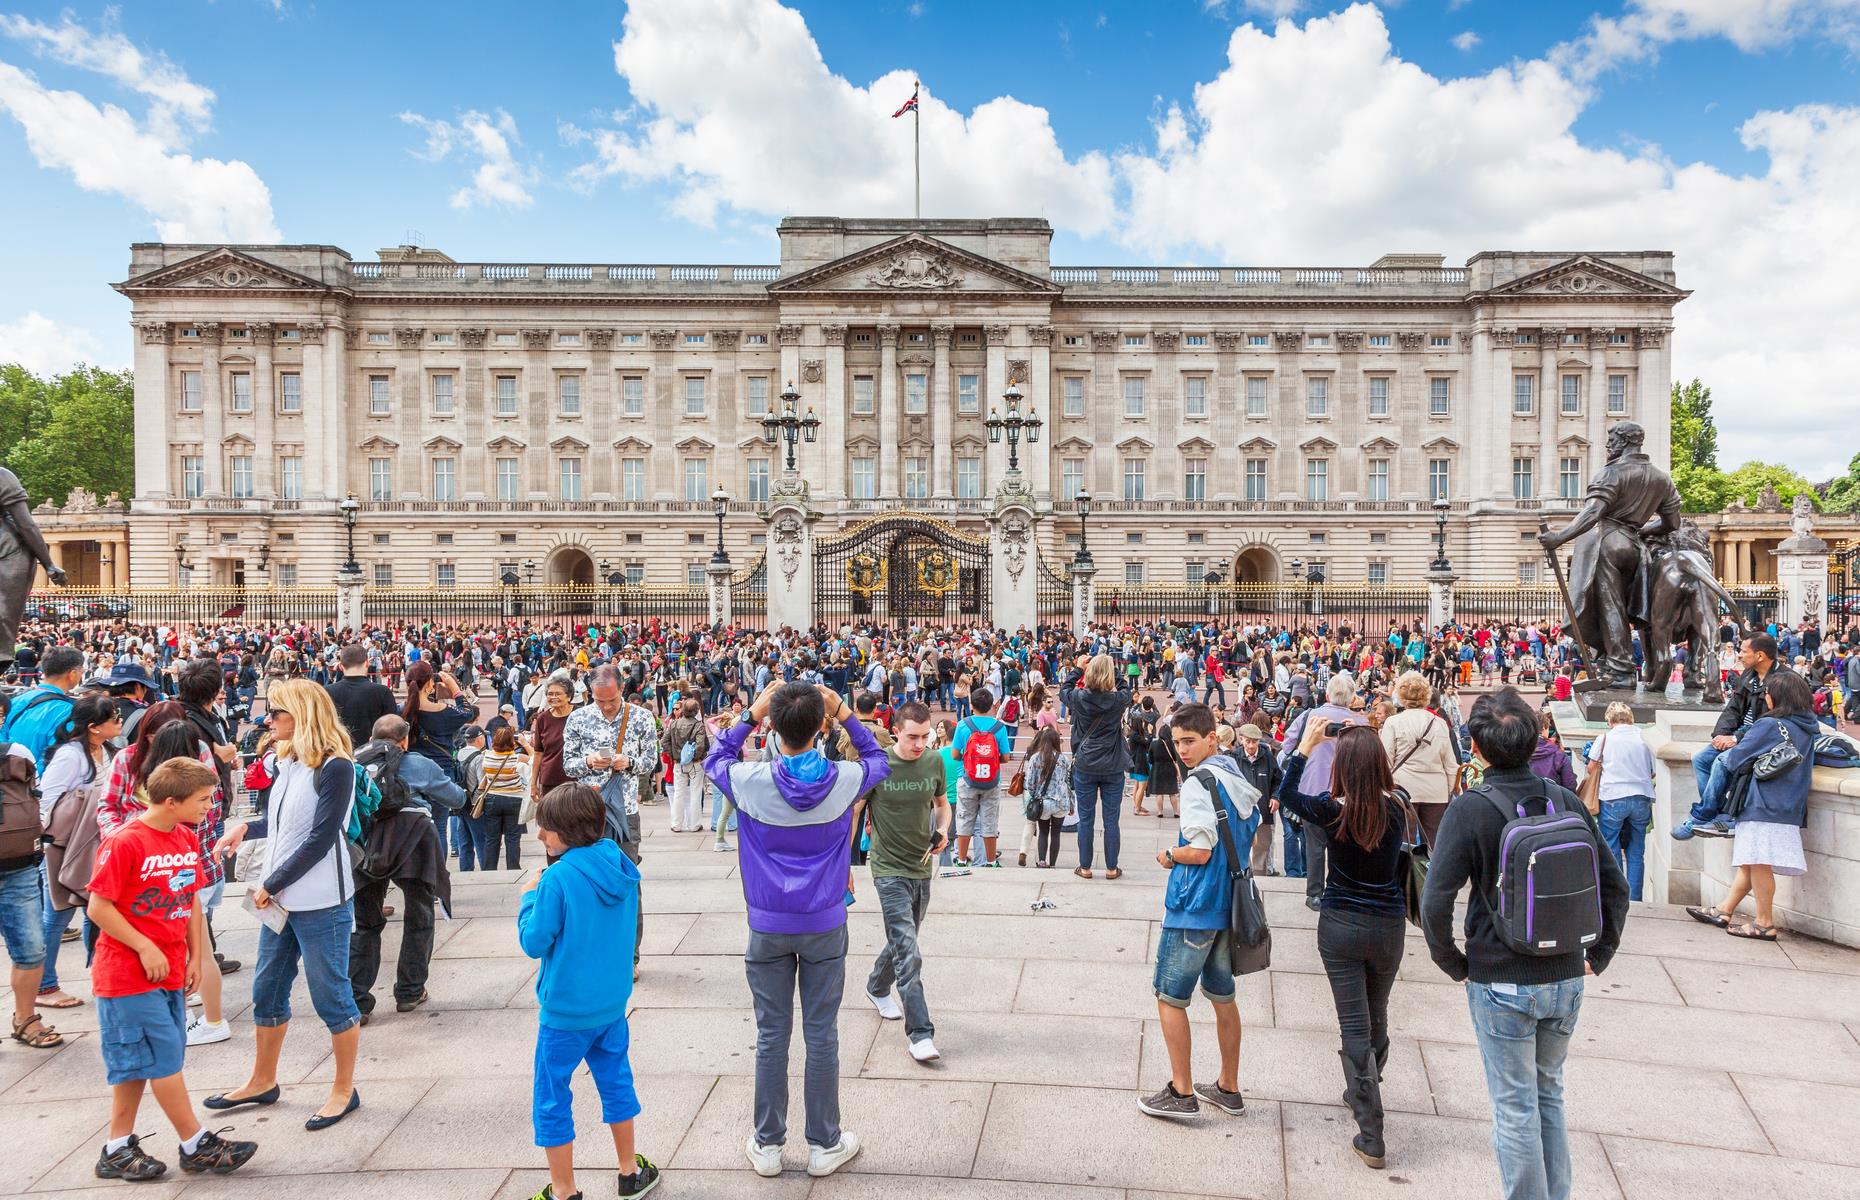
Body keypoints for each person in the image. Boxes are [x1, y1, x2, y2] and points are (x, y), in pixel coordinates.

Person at [1421, 687, 1629, 1200]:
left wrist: (1455, 963)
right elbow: (1615, 885)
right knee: (1548, 1095)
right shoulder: (1563, 800)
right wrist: (1597, 957)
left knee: (1514, 1106)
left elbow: (1434, 902)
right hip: (1565, 972)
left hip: (1501, 976)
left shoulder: (1469, 810)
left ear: (1477, 747)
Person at [704, 681, 889, 1180]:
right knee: (821, 1034)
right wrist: (845, 711)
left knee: (771, 1035)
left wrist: (750, 712)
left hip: (767, 922)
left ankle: (767, 1143)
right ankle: (824, 1142)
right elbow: (879, 757)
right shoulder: (845, 777)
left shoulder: (750, 780)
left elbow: (714, 757)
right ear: (820, 727)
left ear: (773, 727)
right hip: (824, 920)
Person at [86, 757, 259, 1181]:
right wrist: (144, 946)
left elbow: (191, 900)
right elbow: (98, 907)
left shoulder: (183, 837)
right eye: (202, 800)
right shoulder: (125, 842)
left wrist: (197, 956)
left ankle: (116, 1148)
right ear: (169, 800)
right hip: (126, 976)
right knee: (164, 1058)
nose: (210, 808)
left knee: (138, 1064)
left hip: (166, 971)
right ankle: (195, 1144)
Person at [209, 678, 365, 1130]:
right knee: (267, 989)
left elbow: (321, 835)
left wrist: (271, 882)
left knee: (330, 995)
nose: (267, 719)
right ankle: (262, 1079)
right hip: (281, 897)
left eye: (276, 712)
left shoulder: (336, 766)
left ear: (302, 714)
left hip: (318, 899)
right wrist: (247, 828)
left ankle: (343, 1089)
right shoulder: (289, 761)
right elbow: (284, 822)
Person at [519, 783, 660, 1200]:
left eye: (546, 829)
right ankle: (629, 1172)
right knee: (616, 1081)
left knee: (551, 1096)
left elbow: (534, 942)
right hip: (611, 1005)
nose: (540, 836)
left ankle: (563, 1191)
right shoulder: (619, 863)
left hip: (565, 1012)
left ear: (569, 830)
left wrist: (529, 898)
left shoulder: (557, 878)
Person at [1278, 722, 1410, 1169]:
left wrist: (1305, 747)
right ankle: (1364, 1087)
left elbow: (1286, 795)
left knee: (1352, 1024)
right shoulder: (1398, 807)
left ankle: (1371, 1131)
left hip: (1340, 923)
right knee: (1378, 1014)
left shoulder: (1331, 809)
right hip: (1388, 924)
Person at [1137, 703, 1256, 1120]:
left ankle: (1181, 1092)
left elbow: (1200, 851)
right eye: (1177, 743)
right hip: (1231, 906)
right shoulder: (1233, 773)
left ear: (1211, 737)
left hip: (1195, 905)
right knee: (1223, 997)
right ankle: (1228, 1086)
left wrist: (1171, 853)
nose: (1182, 750)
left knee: (1170, 997)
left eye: (1189, 741)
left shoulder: (1195, 785)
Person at [1685, 670, 1818, 940]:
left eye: (1767, 693)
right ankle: (1724, 910)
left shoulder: (1769, 725)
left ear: (1777, 697)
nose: (1765, 698)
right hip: (1790, 802)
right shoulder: (1807, 727)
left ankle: (1764, 922)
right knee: (1751, 862)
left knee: (1758, 862)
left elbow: (1734, 759)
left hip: (1763, 802)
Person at [351, 714, 463, 1021]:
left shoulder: (354, 762)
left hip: (368, 842)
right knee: (419, 915)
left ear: (372, 739)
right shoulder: (419, 763)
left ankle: (357, 1000)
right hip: (414, 839)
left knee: (365, 923)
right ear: (405, 739)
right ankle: (410, 992)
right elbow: (456, 798)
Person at [857, 701, 950, 1062]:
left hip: (921, 864)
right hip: (887, 868)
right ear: (896, 730)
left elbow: (942, 804)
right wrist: (842, 865)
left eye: (925, 737)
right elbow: (855, 809)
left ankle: (877, 985)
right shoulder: (879, 764)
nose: (919, 744)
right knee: (909, 950)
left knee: (904, 936)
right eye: (912, 736)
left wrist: (942, 830)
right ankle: (921, 1033)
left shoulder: (934, 760)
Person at [562, 666, 658, 974]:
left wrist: (627, 762)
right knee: (586, 883)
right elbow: (568, 764)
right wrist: (590, 761)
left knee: (627, 884)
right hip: (587, 811)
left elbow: (650, 762)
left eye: (612, 700)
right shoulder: (578, 718)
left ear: (621, 690)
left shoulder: (640, 717)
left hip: (625, 810)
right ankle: (593, 952)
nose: (606, 706)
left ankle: (629, 956)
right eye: (600, 701)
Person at [33, 695, 120, 1011]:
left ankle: (101, 976)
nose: (120, 720)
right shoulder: (71, 756)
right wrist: (45, 846)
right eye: (114, 717)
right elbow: (48, 800)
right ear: (95, 727)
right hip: (63, 847)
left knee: (94, 910)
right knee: (57, 915)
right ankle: (44, 985)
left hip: (95, 844)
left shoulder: (107, 751)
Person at [1678, 634, 1791, 840]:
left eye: (1744, 651)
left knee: (1721, 762)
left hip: (1764, 740)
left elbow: (1770, 722)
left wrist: (1736, 739)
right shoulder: (1749, 675)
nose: (1739, 655)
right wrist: (1722, 733)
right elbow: (1733, 709)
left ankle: (1702, 815)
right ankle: (1717, 812)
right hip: (1743, 736)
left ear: (1760, 655)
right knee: (1701, 759)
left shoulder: (1784, 681)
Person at [1281, 673, 1368, 911]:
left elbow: (1288, 746)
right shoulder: (1360, 722)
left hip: (1312, 789)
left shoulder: (1310, 716)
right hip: (1348, 793)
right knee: (1346, 843)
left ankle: (1315, 893)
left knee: (1315, 844)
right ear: (1351, 699)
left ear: (1327, 694)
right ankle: (1342, 887)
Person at [1065, 654, 1133, 879]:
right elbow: (1126, 687)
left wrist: (1077, 669)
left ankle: (1085, 867)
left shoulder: (1079, 697)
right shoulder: (1118, 700)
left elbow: (1063, 689)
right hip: (1112, 764)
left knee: (1086, 819)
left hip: (1086, 763)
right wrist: (1115, 671)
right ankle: (1112, 868)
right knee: (1111, 819)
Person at [1380, 671, 1459, 849]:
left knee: (1403, 844)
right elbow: (1450, 763)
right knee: (1433, 845)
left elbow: (1385, 760)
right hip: (1435, 789)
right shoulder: (1439, 723)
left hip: (1403, 788)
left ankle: (1404, 876)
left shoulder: (1393, 722)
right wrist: (1446, 791)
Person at [1586, 703, 1656, 901]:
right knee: (1636, 851)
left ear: (1609, 720)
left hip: (1612, 796)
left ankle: (1617, 896)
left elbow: (1592, 767)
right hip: (1641, 795)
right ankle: (1635, 899)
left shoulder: (1605, 738)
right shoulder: (1644, 737)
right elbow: (1653, 770)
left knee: (1611, 846)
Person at [950, 686, 1013, 868]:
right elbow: (1006, 757)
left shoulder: (963, 725)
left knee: (964, 819)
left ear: (971, 705)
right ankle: (991, 861)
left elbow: (955, 755)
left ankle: (961, 859)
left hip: (968, 778)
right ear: (992, 705)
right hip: (992, 781)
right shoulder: (999, 727)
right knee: (989, 821)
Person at [3, 644, 83, 768]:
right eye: (81, 671)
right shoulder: (69, 711)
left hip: (10, 778)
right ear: (72, 673)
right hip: (38, 782)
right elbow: (58, 758)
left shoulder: (16, 701)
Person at [467, 726, 530, 871]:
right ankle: (513, 868)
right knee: (513, 837)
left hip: (492, 798)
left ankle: (489, 869)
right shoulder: (517, 758)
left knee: (492, 838)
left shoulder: (486, 755)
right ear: (512, 742)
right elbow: (534, 758)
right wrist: (525, 743)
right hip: (514, 798)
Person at [325, 642, 397, 755]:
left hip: (337, 754)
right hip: (374, 756)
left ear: (341, 666)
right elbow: (392, 730)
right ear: (367, 663)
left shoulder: (326, 692)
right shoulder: (382, 692)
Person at [1231, 723, 1282, 875]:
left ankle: (1260, 875)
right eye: (1248, 741)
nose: (1251, 745)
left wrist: (1275, 797)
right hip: (1241, 811)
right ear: (1241, 740)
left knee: (1263, 846)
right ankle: (1243, 875)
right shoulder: (1234, 757)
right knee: (1240, 845)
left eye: (1255, 741)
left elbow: (1278, 780)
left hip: (1263, 810)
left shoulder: (1268, 758)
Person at [663, 697, 712, 833]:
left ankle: (676, 824)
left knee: (679, 793)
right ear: (696, 711)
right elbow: (702, 745)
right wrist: (695, 757)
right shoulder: (698, 725)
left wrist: (674, 755)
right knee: (695, 793)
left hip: (679, 762)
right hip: (695, 763)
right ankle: (694, 824)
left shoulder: (674, 724)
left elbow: (664, 742)